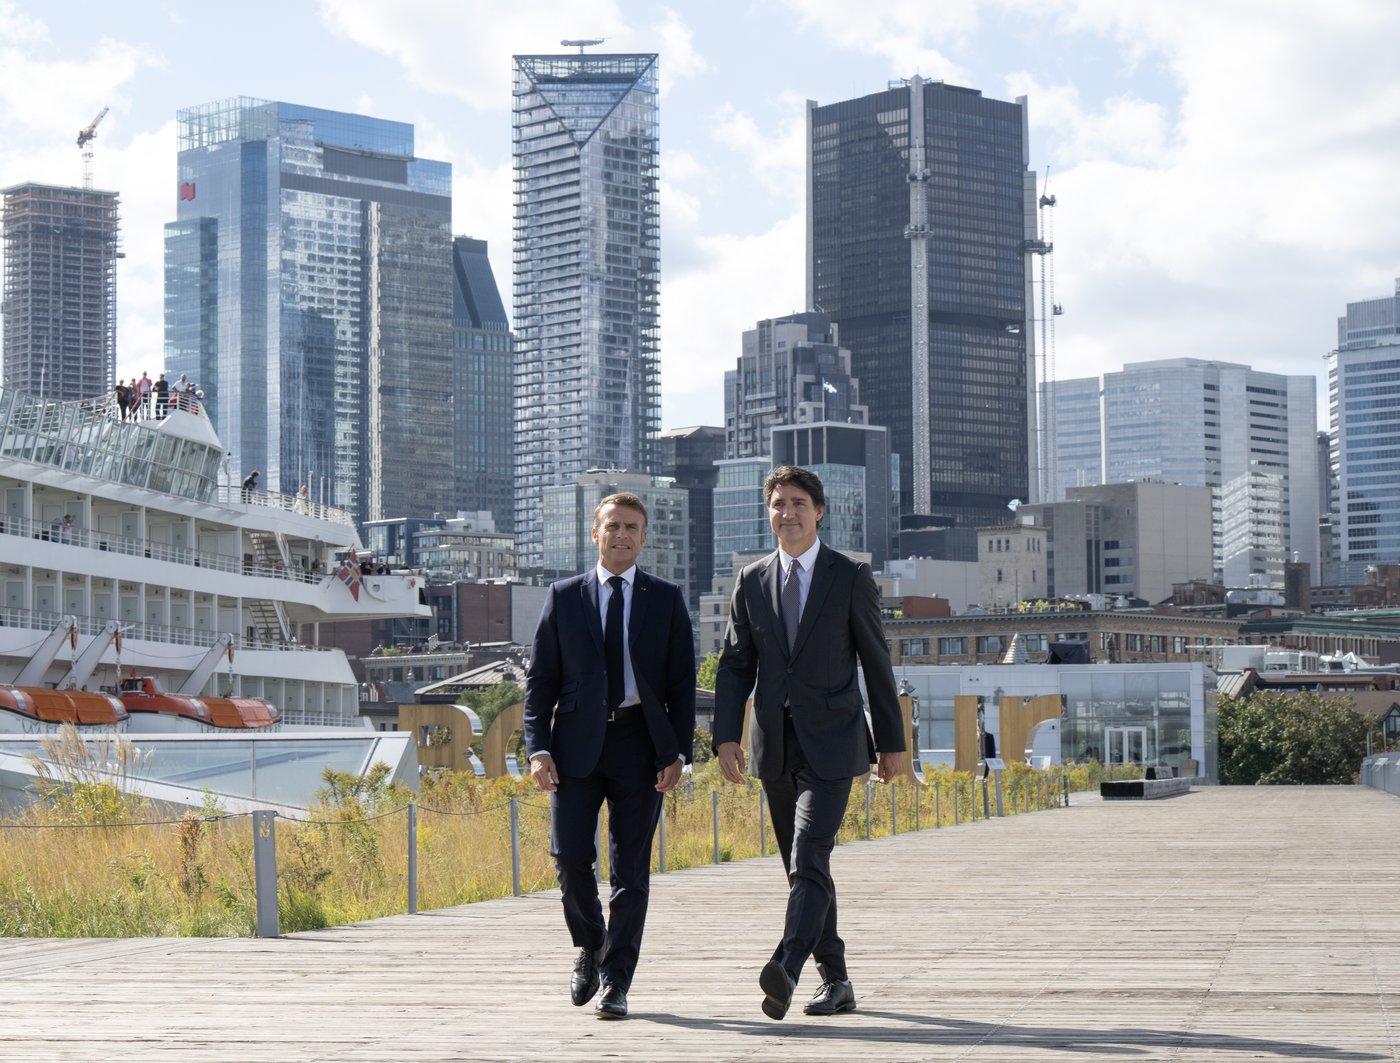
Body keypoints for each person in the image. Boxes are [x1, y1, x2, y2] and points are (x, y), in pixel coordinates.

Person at [712, 465, 906, 1021]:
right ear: (768, 514)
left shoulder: (850, 576)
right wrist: (725, 735)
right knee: (802, 869)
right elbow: (734, 665)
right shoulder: (751, 579)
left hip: (836, 740)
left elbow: (875, 661)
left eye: (798, 503)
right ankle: (838, 979)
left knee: (809, 854)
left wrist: (892, 742)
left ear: (819, 511)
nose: (788, 513)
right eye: (778, 504)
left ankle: (789, 963)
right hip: (773, 743)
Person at [524, 492, 696, 1021]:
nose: (621, 535)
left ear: (645, 538)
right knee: (570, 856)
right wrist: (538, 749)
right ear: (595, 533)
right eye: (613, 526)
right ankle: (590, 944)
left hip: (641, 745)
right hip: (574, 746)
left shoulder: (665, 598)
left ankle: (617, 981)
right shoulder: (563, 595)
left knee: (630, 871)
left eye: (632, 527)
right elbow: (540, 681)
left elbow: (682, 684)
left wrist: (680, 752)